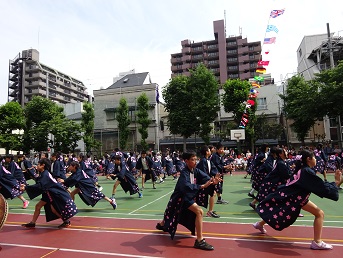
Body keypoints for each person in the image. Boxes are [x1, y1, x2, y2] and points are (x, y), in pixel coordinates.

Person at [253, 149, 339, 250]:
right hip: (293, 198)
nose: (316, 159)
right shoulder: (306, 171)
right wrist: (336, 182)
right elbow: (321, 187)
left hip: (294, 197)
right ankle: (317, 242)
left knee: (277, 211)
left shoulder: (301, 169)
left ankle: (259, 224)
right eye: (314, 157)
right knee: (319, 214)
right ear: (308, 159)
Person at [155, 151, 221, 250]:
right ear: (186, 161)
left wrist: (212, 181)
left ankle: (162, 225)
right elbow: (185, 186)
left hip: (187, 197)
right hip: (180, 199)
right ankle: (199, 241)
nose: (195, 161)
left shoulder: (196, 171)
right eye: (192, 160)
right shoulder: (184, 173)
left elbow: (206, 178)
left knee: (173, 215)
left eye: (196, 159)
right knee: (173, 213)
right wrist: (201, 186)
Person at [21, 158, 78, 229]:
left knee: (53, 210)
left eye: (38, 164)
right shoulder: (44, 173)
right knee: (38, 206)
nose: (36, 166)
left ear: (43, 165)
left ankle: (66, 221)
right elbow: (39, 182)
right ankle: (33, 222)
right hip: (48, 193)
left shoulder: (45, 174)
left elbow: (40, 185)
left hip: (54, 193)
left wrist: (26, 187)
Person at [196, 145, 220, 218]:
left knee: (213, 193)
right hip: (203, 182)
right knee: (195, 197)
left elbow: (213, 169)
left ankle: (210, 211)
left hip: (207, 180)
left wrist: (216, 176)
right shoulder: (203, 161)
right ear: (207, 152)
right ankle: (209, 211)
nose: (211, 151)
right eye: (209, 150)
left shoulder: (208, 160)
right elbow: (202, 173)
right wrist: (210, 180)